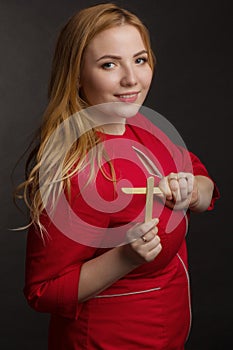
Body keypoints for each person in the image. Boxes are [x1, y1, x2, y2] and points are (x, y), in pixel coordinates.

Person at [16, 3, 219, 349]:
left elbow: (203, 180)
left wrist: (191, 192)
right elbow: (43, 291)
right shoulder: (72, 168)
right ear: (77, 74)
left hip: (168, 333)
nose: (131, 79)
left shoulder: (143, 124)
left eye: (139, 60)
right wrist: (125, 257)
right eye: (109, 64)